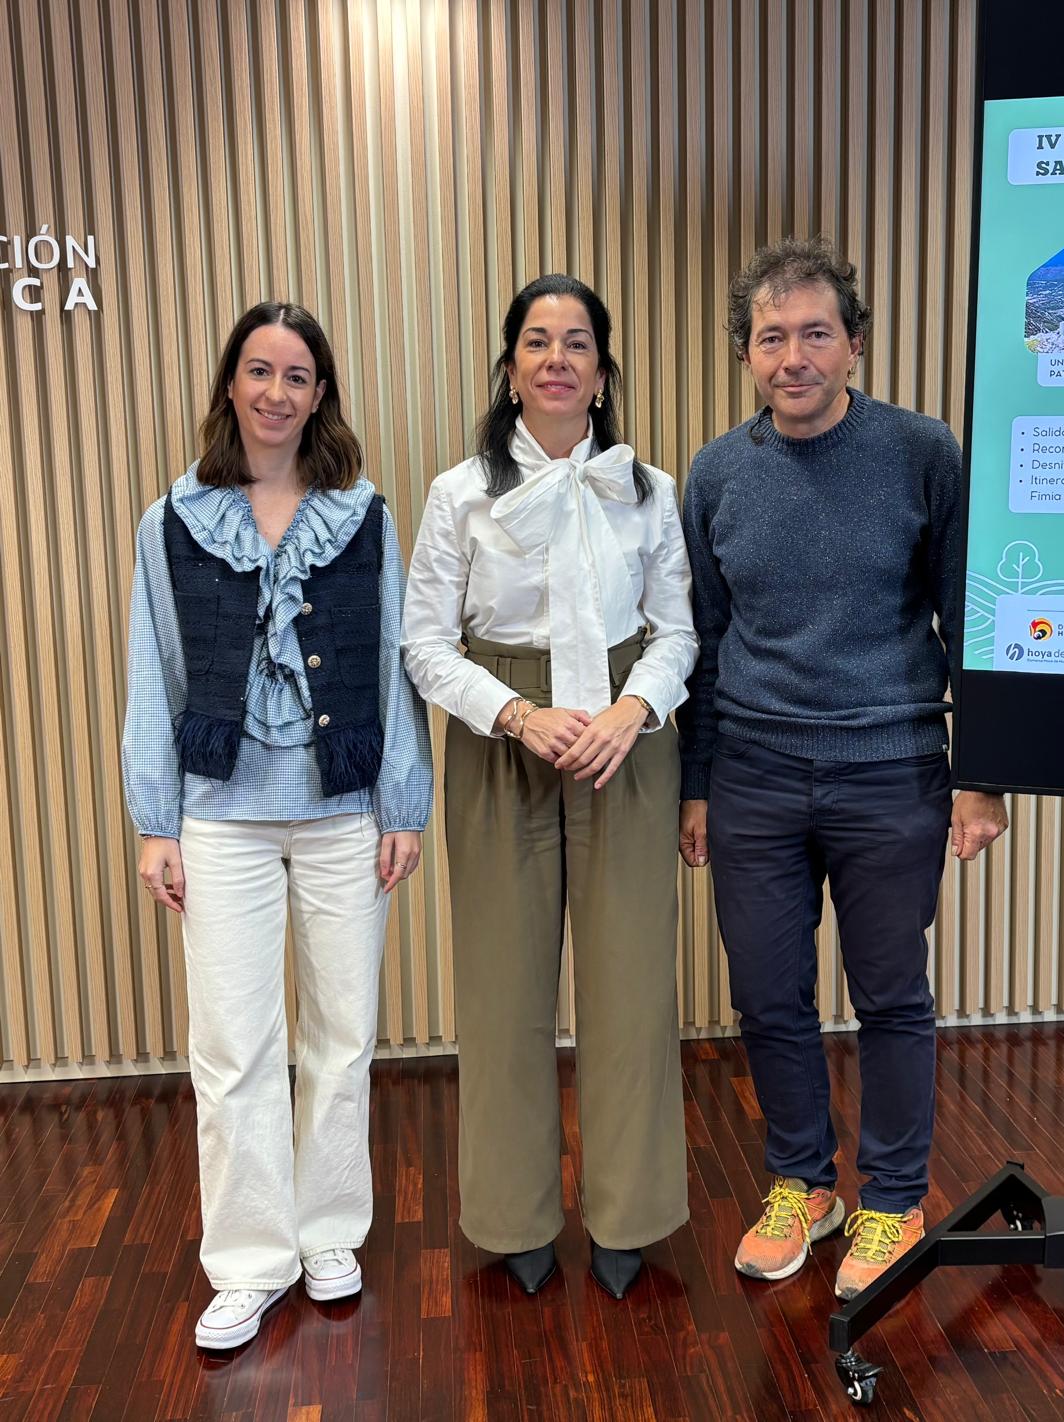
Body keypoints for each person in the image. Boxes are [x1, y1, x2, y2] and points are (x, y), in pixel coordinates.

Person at [676, 237, 1010, 1301]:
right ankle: (802, 1186)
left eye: (816, 333)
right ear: (746, 356)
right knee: (768, 998)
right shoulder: (717, 473)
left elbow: (969, 611)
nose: (794, 356)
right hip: (755, 778)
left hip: (892, 769)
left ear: (853, 346)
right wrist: (697, 782)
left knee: (890, 999)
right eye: (771, 337)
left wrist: (983, 770)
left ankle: (894, 1201)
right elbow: (703, 635)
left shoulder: (921, 452)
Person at [121, 301, 433, 1351]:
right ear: (229, 386)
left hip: (344, 813)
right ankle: (249, 1261)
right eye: (258, 371)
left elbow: (395, 664)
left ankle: (329, 1231)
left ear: (319, 396)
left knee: (343, 1036)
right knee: (232, 1047)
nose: (275, 392)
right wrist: (156, 821)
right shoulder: (171, 520)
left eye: (297, 375)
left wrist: (401, 803)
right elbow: (153, 676)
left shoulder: (364, 515)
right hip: (220, 818)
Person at [402, 275, 696, 1301]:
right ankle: (514, 1221)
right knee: (499, 996)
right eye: (537, 340)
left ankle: (629, 1220)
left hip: (627, 743)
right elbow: (425, 645)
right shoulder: (457, 495)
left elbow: (680, 630)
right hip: (501, 743)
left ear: (603, 371)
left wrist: (633, 708)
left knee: (630, 995)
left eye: (577, 342)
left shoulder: (649, 490)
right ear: (511, 365)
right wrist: (517, 715)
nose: (558, 358)